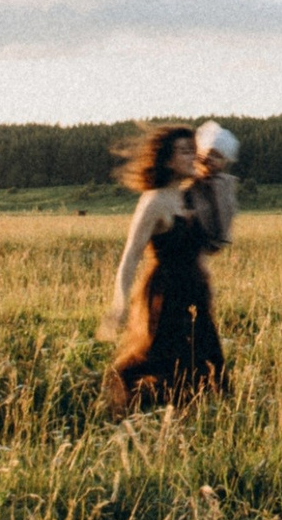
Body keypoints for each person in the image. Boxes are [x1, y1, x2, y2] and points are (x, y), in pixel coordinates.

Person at [99, 122, 239, 412]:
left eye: (194, 149)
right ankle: (128, 415)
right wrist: (119, 304)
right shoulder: (153, 201)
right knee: (160, 363)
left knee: (208, 366)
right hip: (165, 296)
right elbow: (130, 256)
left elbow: (214, 242)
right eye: (185, 151)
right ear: (167, 160)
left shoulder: (192, 195)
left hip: (196, 293)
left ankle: (194, 421)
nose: (195, 157)